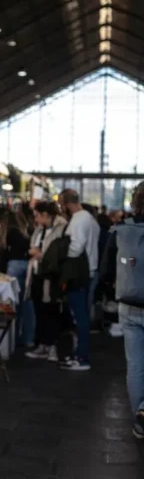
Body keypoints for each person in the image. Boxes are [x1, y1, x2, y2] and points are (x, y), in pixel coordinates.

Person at [101, 182, 144, 438]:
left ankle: (139, 421)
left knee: (135, 366)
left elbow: (106, 271)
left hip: (127, 305)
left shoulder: (119, 230)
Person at [58, 189, 100, 371]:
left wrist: (61, 257)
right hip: (89, 272)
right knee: (82, 315)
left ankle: (82, 357)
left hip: (79, 274)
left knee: (80, 316)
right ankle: (80, 354)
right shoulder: (89, 218)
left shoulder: (78, 219)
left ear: (66, 204)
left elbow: (76, 245)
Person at [25, 201, 67, 362]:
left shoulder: (60, 230)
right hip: (36, 275)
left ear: (45, 215)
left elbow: (57, 254)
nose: (35, 219)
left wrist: (42, 254)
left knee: (52, 312)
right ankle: (42, 344)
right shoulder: (39, 230)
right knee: (40, 310)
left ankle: (52, 346)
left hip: (51, 278)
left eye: (37, 215)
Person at [0, 210, 35, 347]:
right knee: (27, 303)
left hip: (13, 265)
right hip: (27, 265)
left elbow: (3, 255)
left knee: (13, 304)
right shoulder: (25, 233)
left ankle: (12, 340)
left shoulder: (7, 233)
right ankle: (28, 338)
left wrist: (1, 274)